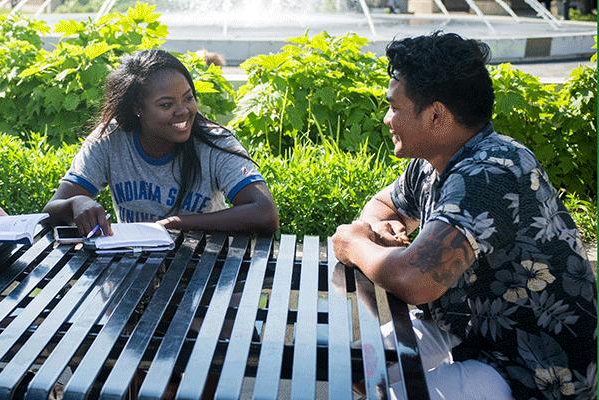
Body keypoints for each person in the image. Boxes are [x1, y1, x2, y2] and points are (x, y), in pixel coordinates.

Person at [332, 31, 597, 400]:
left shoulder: (489, 173)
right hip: (465, 322)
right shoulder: (435, 161)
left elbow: (416, 280)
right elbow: (384, 204)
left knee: (393, 393)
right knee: (356, 370)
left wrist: (353, 241)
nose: (387, 118)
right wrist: (377, 226)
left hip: (533, 364)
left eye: (394, 107)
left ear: (436, 115)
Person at [43, 49, 279, 236]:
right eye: (166, 105)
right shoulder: (109, 140)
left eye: (188, 98)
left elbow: (265, 213)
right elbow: (50, 212)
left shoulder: (214, 143)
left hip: (207, 269)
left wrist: (178, 223)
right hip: (137, 267)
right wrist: (76, 202)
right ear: (137, 108)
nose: (183, 111)